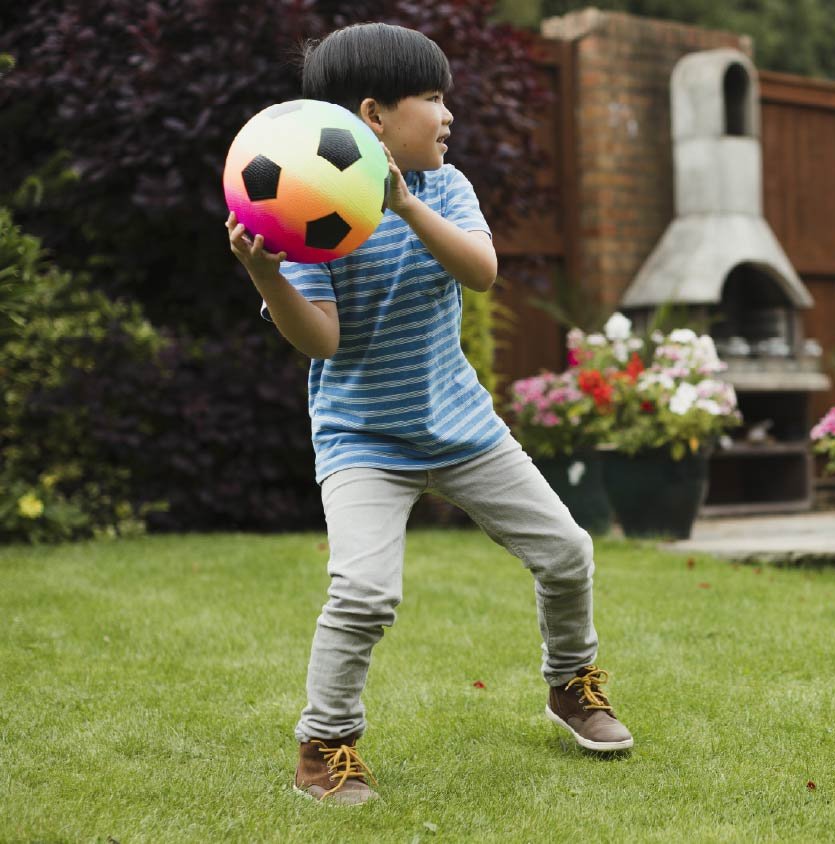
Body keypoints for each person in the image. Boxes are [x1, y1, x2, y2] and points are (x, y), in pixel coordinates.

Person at [226, 23, 632, 805]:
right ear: (373, 116)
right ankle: (326, 744)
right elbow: (322, 342)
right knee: (363, 592)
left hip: (460, 425)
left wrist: (406, 205)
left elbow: (481, 273)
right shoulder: (307, 211)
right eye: (434, 98)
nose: (449, 114)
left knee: (568, 552)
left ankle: (571, 684)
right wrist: (266, 278)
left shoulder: (446, 187)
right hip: (364, 440)